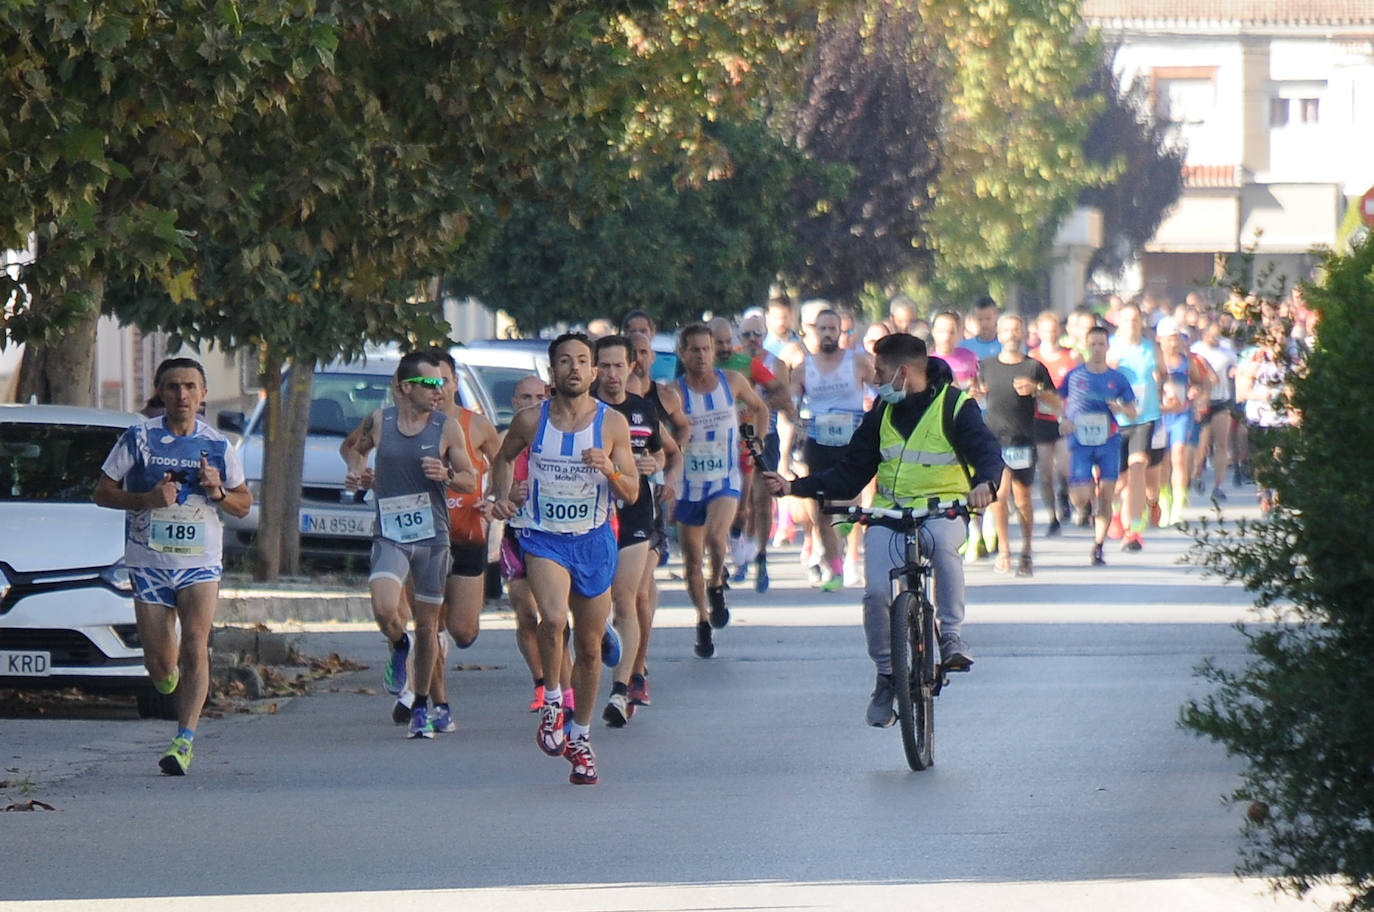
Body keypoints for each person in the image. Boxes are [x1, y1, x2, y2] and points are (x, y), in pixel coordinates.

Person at [762, 334, 1001, 727]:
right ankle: (888, 675)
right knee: (875, 592)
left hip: (943, 510)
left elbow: (988, 454)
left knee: (943, 548)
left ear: (903, 373)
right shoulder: (881, 415)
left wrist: (985, 485)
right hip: (890, 513)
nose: (874, 379)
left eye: (881, 372)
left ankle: (952, 636)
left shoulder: (956, 406)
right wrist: (793, 486)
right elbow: (850, 472)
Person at [489, 333, 639, 784]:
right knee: (552, 619)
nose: (574, 368)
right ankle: (553, 699)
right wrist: (502, 497)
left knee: (590, 648)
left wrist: (609, 469)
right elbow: (502, 459)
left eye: (582, 361)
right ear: (552, 371)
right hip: (542, 536)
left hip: (593, 540)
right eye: (565, 361)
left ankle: (580, 737)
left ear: (594, 372)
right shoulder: (530, 421)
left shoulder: (612, 425)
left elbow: (630, 491)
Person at [94, 357, 253, 775]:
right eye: (172, 387)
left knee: (195, 643)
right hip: (149, 562)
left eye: (189, 387)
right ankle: (170, 683)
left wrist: (217, 492)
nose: (181, 395)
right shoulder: (138, 439)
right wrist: (146, 499)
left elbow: (243, 505)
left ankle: (184, 739)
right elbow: (101, 492)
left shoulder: (218, 445)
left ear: (202, 395)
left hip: (199, 563)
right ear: (160, 393)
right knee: (161, 664)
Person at [340, 350, 477, 739]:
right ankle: (398, 645)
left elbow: (470, 479)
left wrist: (447, 473)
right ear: (404, 388)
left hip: (432, 539)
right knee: (385, 608)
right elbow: (353, 449)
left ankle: (422, 707)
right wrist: (358, 474)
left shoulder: (446, 428)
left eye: (441, 383)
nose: (438, 391)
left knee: (429, 626)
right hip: (392, 534)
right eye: (430, 384)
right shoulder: (379, 422)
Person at [675, 323, 768, 658]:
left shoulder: (732, 382)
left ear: (714, 351)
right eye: (694, 350)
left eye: (706, 349)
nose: (701, 356)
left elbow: (760, 407)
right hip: (688, 486)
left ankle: (716, 585)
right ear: (682, 353)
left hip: (724, 478)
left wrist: (757, 439)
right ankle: (701, 620)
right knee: (690, 562)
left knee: (717, 537)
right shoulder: (675, 392)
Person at [591, 335, 665, 727]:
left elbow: (659, 451)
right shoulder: (584, 409)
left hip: (635, 511)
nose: (613, 374)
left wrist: (654, 465)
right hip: (591, 513)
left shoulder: (642, 410)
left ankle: (622, 689)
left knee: (627, 597)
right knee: (596, 602)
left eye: (620, 365)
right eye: (605, 366)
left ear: (631, 368)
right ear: (594, 369)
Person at [781, 305, 874, 590]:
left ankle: (847, 542)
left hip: (851, 441)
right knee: (821, 509)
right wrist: (793, 419)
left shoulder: (858, 363)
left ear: (842, 332)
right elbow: (788, 405)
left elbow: (882, 392)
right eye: (823, 329)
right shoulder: (803, 369)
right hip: (818, 442)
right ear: (813, 332)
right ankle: (834, 571)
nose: (828, 334)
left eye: (834, 329)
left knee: (851, 498)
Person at [976, 314, 1059, 576]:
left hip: (1023, 440)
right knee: (998, 497)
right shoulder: (986, 366)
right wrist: (974, 394)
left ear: (1023, 333)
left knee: (1023, 499)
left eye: (1016, 329)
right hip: (993, 441)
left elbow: (1057, 403)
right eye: (1007, 330)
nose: (1011, 334)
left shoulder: (1034, 367)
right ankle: (1004, 551)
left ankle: (1026, 550)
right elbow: (973, 393)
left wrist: (1036, 390)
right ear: (999, 335)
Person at [1058, 326, 1137, 565]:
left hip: (1108, 441)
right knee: (1081, 497)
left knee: (1106, 495)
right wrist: (1063, 421)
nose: (1097, 349)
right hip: (1080, 442)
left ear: (1107, 346)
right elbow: (1057, 402)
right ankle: (1084, 503)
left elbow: (1133, 413)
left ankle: (1099, 546)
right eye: (1092, 344)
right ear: (1086, 346)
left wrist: (1120, 409)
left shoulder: (1117, 378)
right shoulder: (1074, 376)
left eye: (1101, 344)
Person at [1106, 304, 1164, 552]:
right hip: (1118, 420)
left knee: (1138, 468)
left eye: (1135, 319)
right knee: (1120, 480)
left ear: (1141, 321)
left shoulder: (1152, 348)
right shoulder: (1111, 347)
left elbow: (1163, 375)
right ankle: (1118, 511)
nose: (1131, 323)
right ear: (1119, 322)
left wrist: (1166, 389)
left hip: (1146, 416)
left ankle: (1134, 529)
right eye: (1127, 319)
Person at [1155, 318, 1211, 526]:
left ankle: (1177, 508)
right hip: (1160, 415)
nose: (1174, 342)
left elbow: (1201, 383)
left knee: (1178, 457)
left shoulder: (1187, 361)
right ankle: (1164, 503)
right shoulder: (1154, 360)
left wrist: (1197, 395)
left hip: (1181, 414)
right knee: (1162, 462)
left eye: (1176, 337)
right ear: (1160, 338)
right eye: (1170, 338)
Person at [1030, 310, 1081, 535]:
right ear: (1039, 332)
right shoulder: (1031, 357)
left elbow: (1081, 386)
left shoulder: (1071, 356)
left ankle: (1064, 496)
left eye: (1053, 330)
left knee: (1063, 468)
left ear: (1059, 331)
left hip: (1065, 420)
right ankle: (1052, 516)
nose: (1050, 334)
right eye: (1046, 330)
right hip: (1040, 420)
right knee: (1045, 474)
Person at [1189, 317, 1238, 501]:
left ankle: (1218, 484)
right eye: (1212, 335)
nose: (1216, 339)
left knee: (1222, 443)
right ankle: (1196, 474)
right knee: (1201, 444)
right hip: (1202, 403)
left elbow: (1236, 369)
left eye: (1218, 335)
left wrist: (1235, 374)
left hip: (1221, 400)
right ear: (1204, 334)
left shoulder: (1227, 350)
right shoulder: (1196, 350)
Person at [958, 295, 1001, 362]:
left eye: (988, 318)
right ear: (973, 319)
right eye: (980, 319)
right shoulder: (963, 348)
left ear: (996, 316)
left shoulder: (1007, 346)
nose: (984, 324)